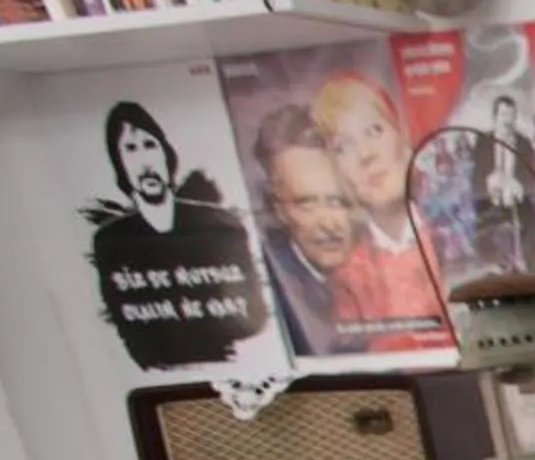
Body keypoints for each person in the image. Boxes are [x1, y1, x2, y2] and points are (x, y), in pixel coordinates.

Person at [86, 101, 269, 371]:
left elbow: (253, 316)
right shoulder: (111, 239)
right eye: (130, 149)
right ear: (119, 163)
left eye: (150, 146)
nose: (144, 161)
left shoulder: (221, 225)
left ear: (166, 154)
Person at [312, 72, 446, 351]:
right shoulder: (346, 275)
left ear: (403, 137)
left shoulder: (453, 236)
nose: (366, 155)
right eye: (343, 147)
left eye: (374, 131)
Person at [249, 104, 354, 357]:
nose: (329, 224)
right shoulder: (270, 296)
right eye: (307, 203)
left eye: (337, 201)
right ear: (278, 210)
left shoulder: (387, 263)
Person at [470, 94, 535, 276]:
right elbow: (477, 176)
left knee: (530, 225)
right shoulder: (483, 142)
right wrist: (490, 185)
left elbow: (530, 177)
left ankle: (532, 275)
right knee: (487, 226)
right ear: (495, 117)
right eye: (503, 115)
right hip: (491, 199)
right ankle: (499, 272)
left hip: (518, 198)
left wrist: (518, 186)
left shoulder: (524, 144)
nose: (507, 120)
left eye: (511, 115)